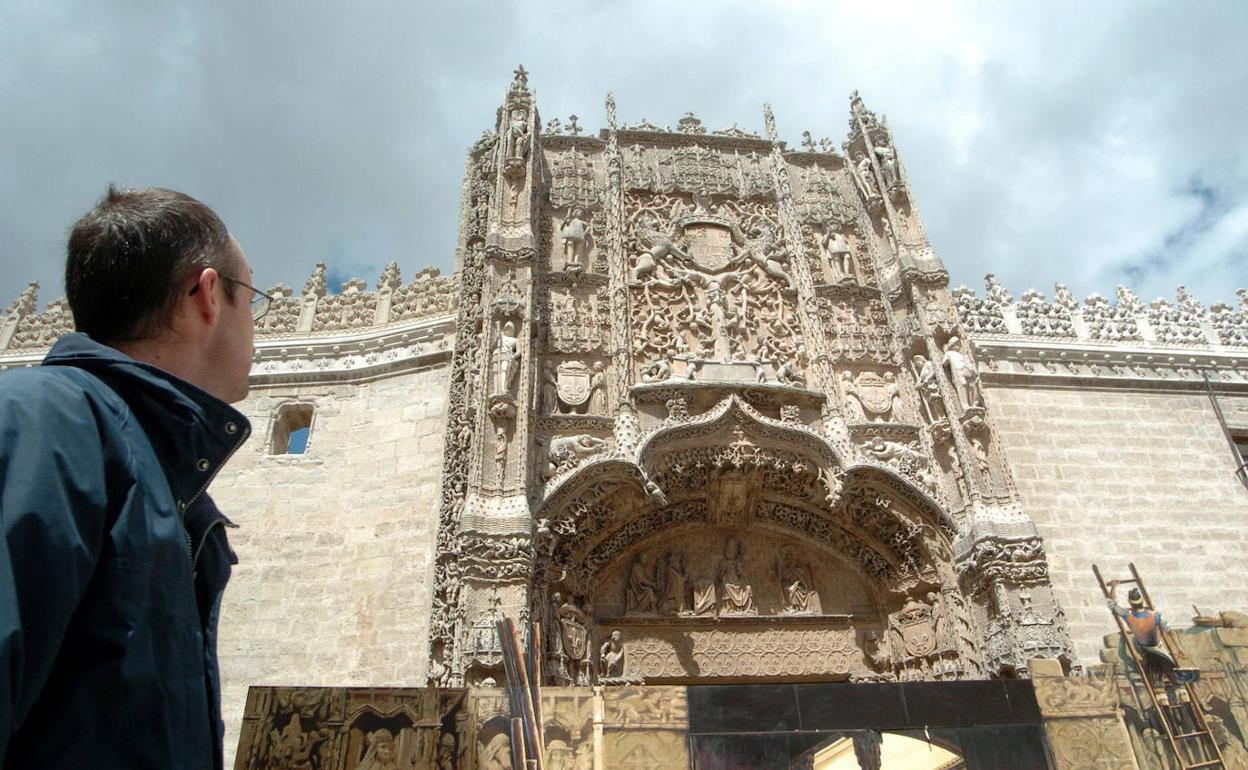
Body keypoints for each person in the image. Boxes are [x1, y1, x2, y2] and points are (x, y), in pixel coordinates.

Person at [0, 186, 262, 768]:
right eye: (252, 298)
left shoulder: (171, 492)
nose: (255, 327)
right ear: (207, 294)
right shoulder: (43, 425)